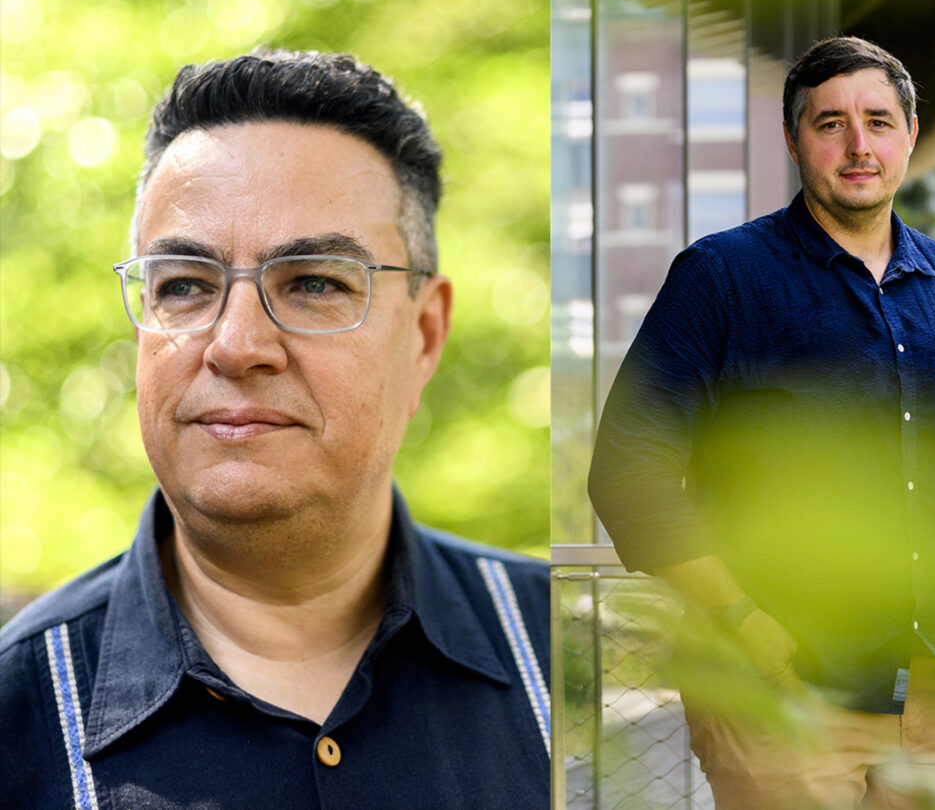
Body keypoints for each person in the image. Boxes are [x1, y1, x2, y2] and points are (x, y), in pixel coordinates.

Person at [0, 50, 549, 810]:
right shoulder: (16, 718)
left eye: (316, 282)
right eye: (186, 286)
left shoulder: (583, 668)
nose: (236, 345)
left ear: (424, 335)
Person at [588, 36, 935, 810]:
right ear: (793, 139)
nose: (858, 145)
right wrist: (743, 620)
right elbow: (628, 469)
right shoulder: (721, 278)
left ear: (910, 132)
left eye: (877, 120)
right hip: (781, 696)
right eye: (829, 123)